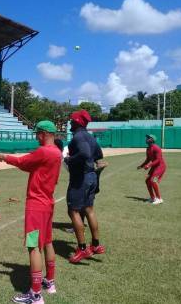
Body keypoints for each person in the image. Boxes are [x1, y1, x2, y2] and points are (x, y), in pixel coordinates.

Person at [0, 120, 62, 304]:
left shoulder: (43, 151)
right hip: (48, 203)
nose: (35, 137)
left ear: (43, 133)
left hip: (36, 206)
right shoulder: (56, 152)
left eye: (36, 134)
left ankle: (35, 294)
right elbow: (30, 166)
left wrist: (4, 156)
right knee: (48, 242)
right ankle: (50, 282)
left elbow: (22, 162)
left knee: (33, 246)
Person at [64, 110, 105, 264]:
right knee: (89, 209)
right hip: (91, 176)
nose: (70, 123)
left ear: (76, 122)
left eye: (71, 121)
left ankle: (82, 249)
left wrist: (69, 160)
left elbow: (85, 153)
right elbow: (99, 157)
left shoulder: (79, 136)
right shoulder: (90, 137)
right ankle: (95, 245)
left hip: (80, 178)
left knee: (73, 210)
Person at [137, 134, 166, 205]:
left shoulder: (156, 148)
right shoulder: (148, 149)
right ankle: (153, 198)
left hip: (160, 166)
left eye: (148, 138)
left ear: (152, 140)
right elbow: (148, 159)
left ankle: (159, 199)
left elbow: (158, 160)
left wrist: (149, 165)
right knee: (147, 181)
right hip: (154, 166)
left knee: (153, 180)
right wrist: (141, 166)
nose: (146, 139)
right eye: (146, 138)